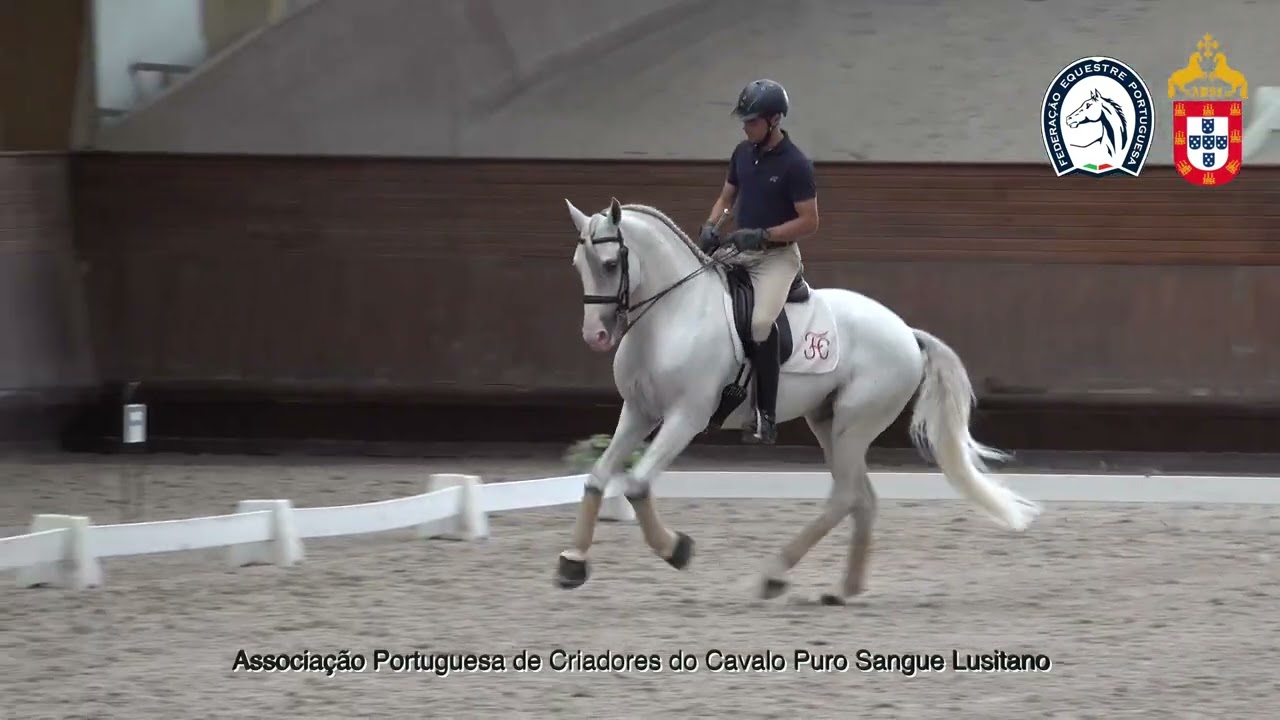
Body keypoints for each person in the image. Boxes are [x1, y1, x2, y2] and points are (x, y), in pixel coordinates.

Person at [699, 78, 819, 445]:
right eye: (745, 121)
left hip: (775, 257)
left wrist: (764, 235)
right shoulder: (742, 153)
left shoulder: (795, 164)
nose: (746, 127)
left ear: (774, 120)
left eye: (752, 121)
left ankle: (765, 416)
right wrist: (710, 224)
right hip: (738, 248)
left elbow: (810, 221)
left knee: (762, 323)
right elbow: (726, 199)